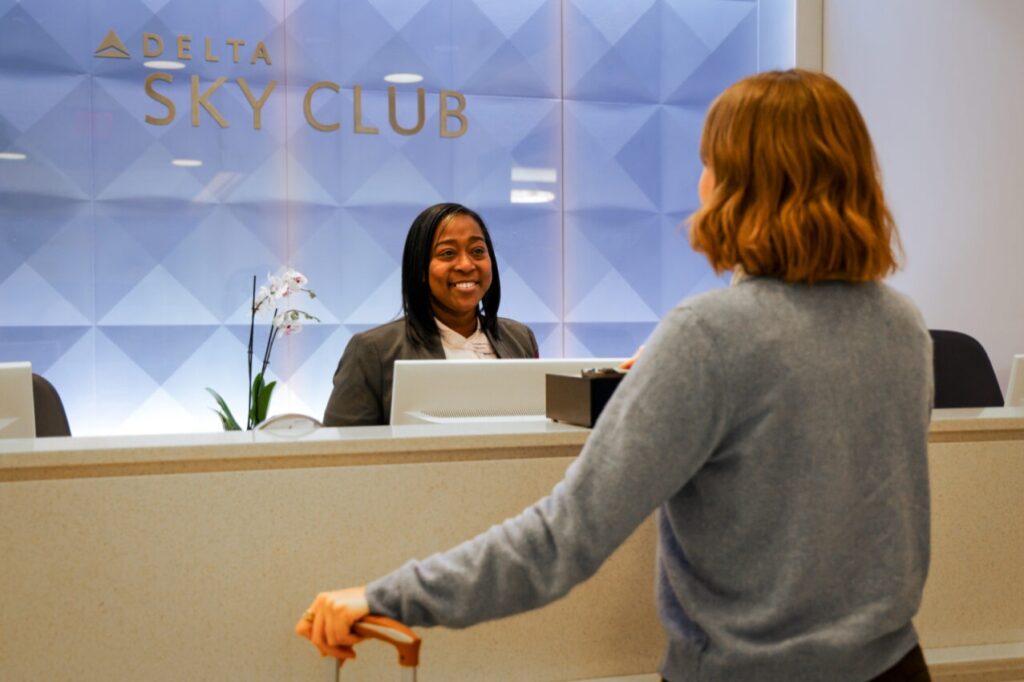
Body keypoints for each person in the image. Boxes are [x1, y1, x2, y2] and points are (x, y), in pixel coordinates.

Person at [298, 70, 933, 682]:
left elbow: (562, 541)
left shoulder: (708, 335)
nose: (701, 181)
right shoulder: (902, 325)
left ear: (742, 184)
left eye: (709, 162)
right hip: (896, 667)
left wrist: (385, 596)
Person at [322, 202, 539, 426]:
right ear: (421, 269)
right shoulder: (372, 351)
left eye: (477, 251)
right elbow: (342, 444)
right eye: (448, 253)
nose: (466, 265)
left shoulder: (520, 338)